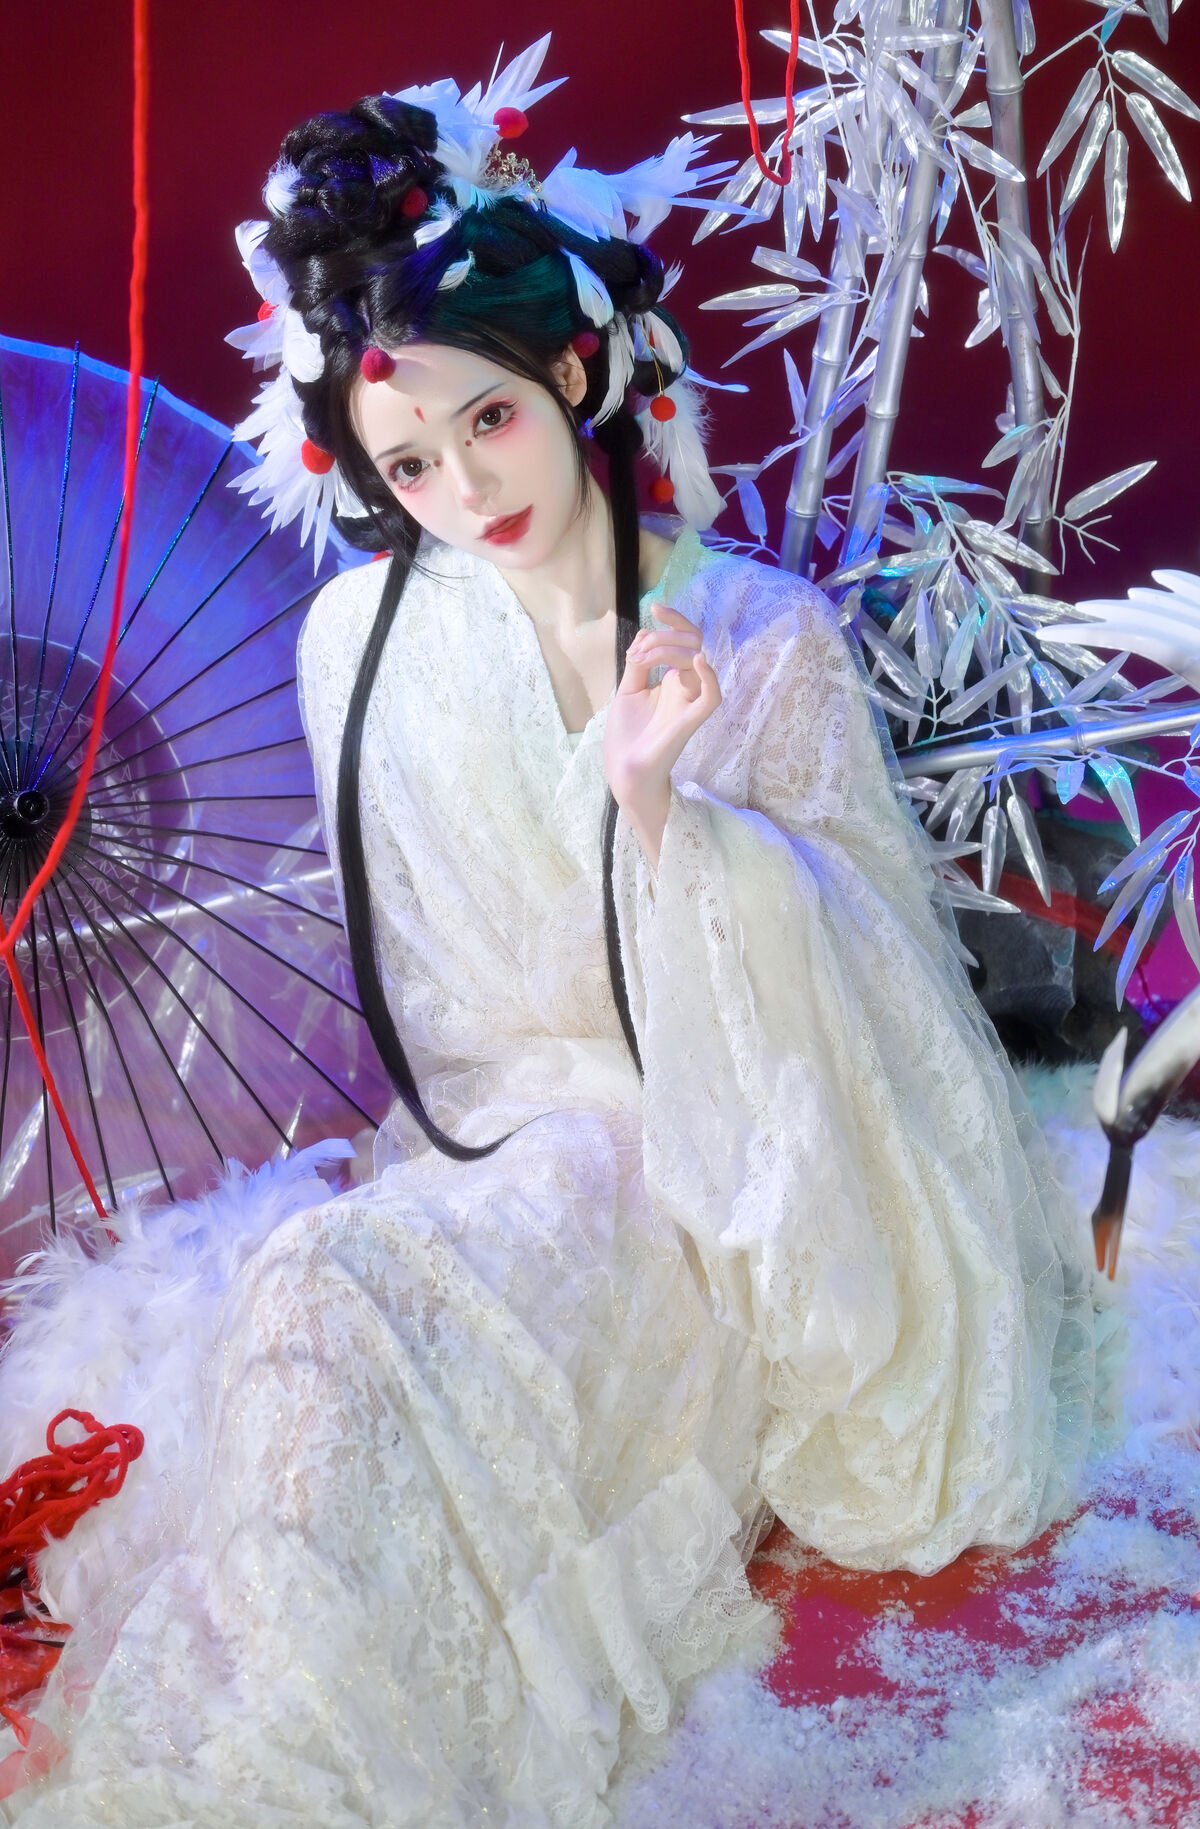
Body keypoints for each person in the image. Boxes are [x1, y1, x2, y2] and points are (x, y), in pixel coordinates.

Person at [0, 39, 1098, 1829]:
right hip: (478, 1157)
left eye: (490, 420)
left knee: (369, 1313)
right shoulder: (359, 643)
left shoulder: (764, 635)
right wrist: (467, 1160)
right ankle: (276, 1754)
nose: (466, 488)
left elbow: (877, 1024)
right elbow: (439, 1013)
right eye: (409, 459)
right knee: (321, 1299)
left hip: (698, 1183)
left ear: (574, 367)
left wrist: (672, 817)